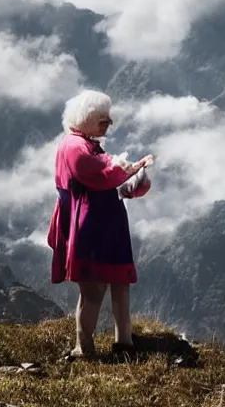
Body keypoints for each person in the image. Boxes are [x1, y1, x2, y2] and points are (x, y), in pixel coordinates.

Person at [47, 90, 154, 360]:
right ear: (85, 118)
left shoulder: (86, 143)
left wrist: (133, 173)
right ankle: (84, 348)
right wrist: (129, 170)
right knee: (93, 288)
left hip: (103, 222)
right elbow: (99, 176)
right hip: (91, 225)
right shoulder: (75, 147)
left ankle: (124, 343)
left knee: (119, 281)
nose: (108, 123)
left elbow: (106, 175)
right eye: (101, 118)